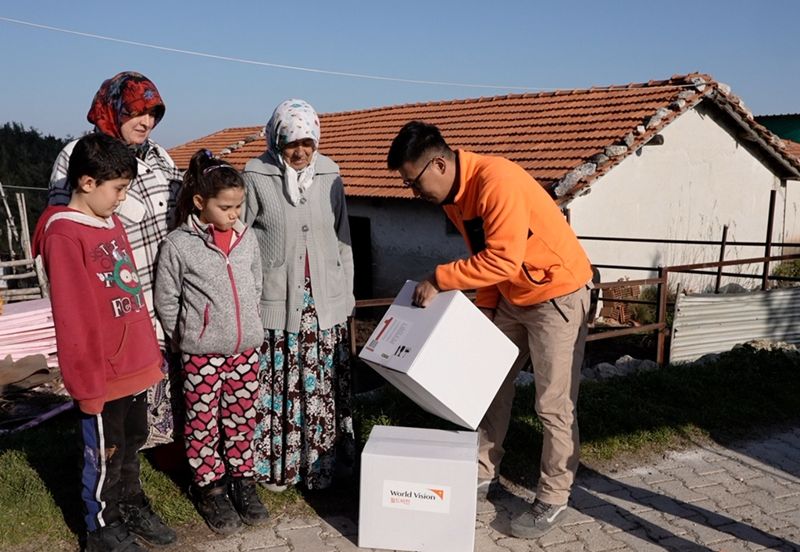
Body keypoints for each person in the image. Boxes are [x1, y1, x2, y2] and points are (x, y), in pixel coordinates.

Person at [387, 121, 593, 539]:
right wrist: (486, 310)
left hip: (558, 293)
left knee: (553, 404)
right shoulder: (456, 199)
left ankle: (553, 497)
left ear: (439, 164)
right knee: (488, 384)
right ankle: (484, 473)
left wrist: (440, 278)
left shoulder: (496, 181)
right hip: (514, 294)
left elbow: (502, 259)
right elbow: (485, 256)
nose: (414, 193)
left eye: (414, 183)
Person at [32, 133, 177, 551]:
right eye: (118, 189)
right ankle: (102, 526)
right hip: (102, 374)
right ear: (86, 182)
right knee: (105, 454)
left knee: (132, 443)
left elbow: (129, 294)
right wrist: (87, 384)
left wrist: (149, 353)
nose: (122, 199)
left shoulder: (111, 222)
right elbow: (74, 318)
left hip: (134, 363)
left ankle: (130, 504)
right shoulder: (64, 236)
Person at [48, 71, 184, 447]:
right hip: (117, 298)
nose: (147, 122)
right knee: (117, 396)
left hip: (164, 288)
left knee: (156, 389)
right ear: (112, 109)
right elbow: (65, 224)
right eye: (137, 112)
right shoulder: (80, 155)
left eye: (154, 113)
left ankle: (154, 453)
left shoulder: (159, 158)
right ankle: (112, 475)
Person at [242, 99, 356, 491]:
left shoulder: (330, 172)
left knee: (322, 381)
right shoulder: (257, 174)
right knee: (283, 383)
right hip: (278, 301)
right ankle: (280, 468)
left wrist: (349, 295)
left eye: (308, 142)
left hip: (326, 302)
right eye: (292, 142)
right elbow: (242, 239)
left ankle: (321, 468)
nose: (301, 151)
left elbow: (344, 238)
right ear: (276, 139)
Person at [153, 150, 268, 535]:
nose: (234, 214)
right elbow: (167, 300)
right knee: (203, 423)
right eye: (226, 207)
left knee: (241, 418)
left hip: (245, 349)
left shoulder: (247, 238)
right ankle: (210, 487)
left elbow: (255, 283)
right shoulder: (179, 245)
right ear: (201, 203)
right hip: (201, 354)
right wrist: (183, 336)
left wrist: (251, 323)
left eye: (239, 206)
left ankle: (242, 481)